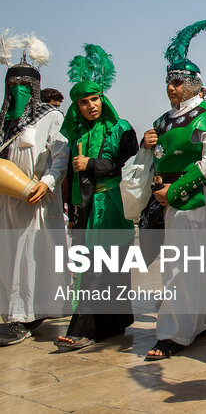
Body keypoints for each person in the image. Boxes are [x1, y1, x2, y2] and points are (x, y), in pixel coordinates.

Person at [142, 19, 206, 360]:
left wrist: (174, 192)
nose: (172, 89)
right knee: (182, 267)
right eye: (169, 82)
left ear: (194, 84)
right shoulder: (164, 120)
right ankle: (197, 322)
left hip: (190, 200)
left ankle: (172, 335)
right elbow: (157, 156)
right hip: (165, 199)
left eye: (178, 83)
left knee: (184, 268)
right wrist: (146, 142)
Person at [55, 44, 138, 350]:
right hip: (87, 209)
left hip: (113, 205)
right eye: (84, 102)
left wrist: (90, 164)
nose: (91, 105)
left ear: (103, 99)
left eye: (95, 99)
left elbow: (130, 167)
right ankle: (113, 322)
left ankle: (83, 327)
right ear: (75, 107)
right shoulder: (76, 137)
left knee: (108, 266)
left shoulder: (121, 128)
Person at [0, 34, 71, 346]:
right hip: (7, 199)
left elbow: (60, 157)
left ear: (35, 88)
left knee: (30, 256)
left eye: (24, 85)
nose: (18, 90)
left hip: (37, 198)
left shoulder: (50, 116)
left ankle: (23, 317)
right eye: (12, 84)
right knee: (9, 256)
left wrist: (47, 182)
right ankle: (16, 313)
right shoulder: (3, 121)